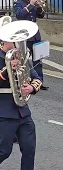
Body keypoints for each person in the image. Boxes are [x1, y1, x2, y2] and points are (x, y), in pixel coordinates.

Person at [0, 20, 42, 170]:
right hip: (4, 111)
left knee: (29, 149)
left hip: (23, 112)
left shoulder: (21, 56)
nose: (18, 43)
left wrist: (31, 87)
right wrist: (7, 68)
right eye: (14, 39)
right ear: (4, 39)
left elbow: (37, 78)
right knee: (3, 151)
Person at [14, 0, 48, 90]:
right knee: (25, 60)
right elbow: (19, 15)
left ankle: (39, 81)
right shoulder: (18, 3)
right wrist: (31, 4)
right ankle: (25, 81)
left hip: (36, 34)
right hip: (25, 34)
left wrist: (38, 6)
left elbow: (41, 15)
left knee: (38, 59)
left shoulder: (32, 2)